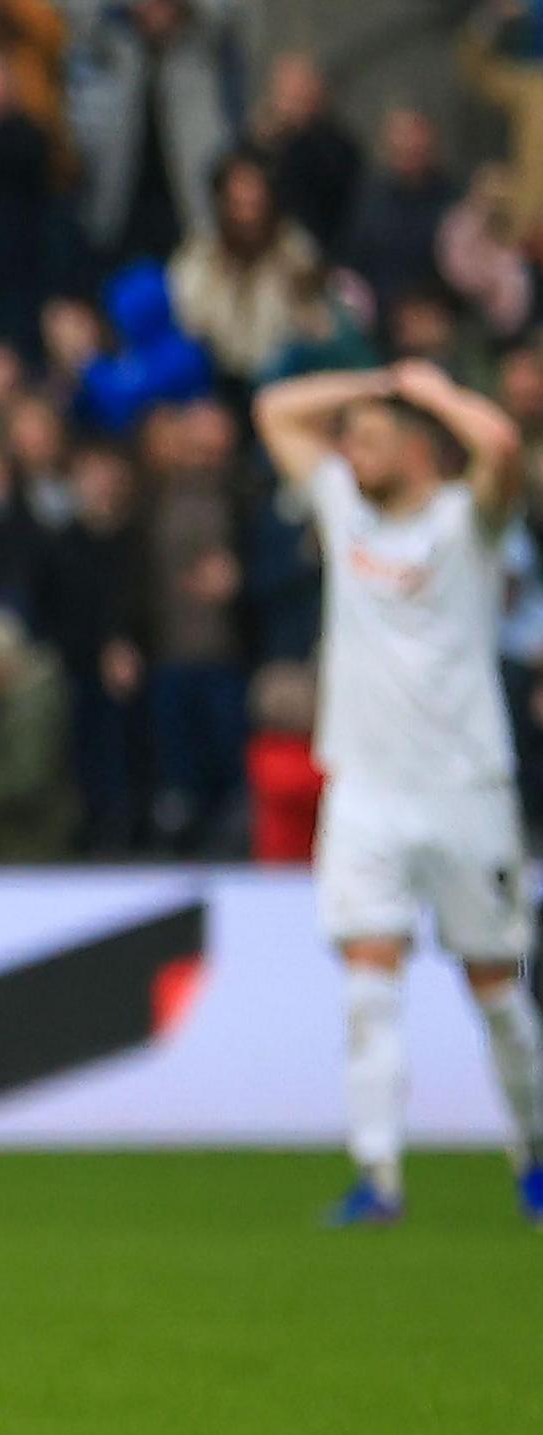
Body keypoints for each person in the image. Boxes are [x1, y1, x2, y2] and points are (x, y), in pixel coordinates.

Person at [254, 364, 543, 1227]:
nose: (349, 451)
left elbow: (500, 446)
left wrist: (432, 390)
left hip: (464, 789)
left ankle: (533, 1151)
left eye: (370, 437)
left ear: (419, 449)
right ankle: (377, 1176)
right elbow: (274, 408)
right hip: (366, 790)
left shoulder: (466, 522)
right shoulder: (344, 508)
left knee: (498, 992)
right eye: (347, 439)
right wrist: (375, 381)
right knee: (368, 987)